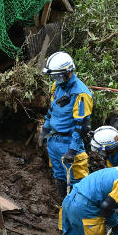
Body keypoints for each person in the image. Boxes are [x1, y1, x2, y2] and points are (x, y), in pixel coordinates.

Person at [39, 51, 93, 200]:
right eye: (53, 77)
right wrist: (45, 129)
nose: (55, 80)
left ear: (68, 72)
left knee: (78, 182)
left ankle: (80, 210)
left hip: (69, 143)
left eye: (57, 76)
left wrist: (72, 150)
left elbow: (80, 125)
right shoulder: (57, 87)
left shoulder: (81, 94)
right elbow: (52, 110)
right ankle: (64, 205)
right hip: (54, 141)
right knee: (59, 176)